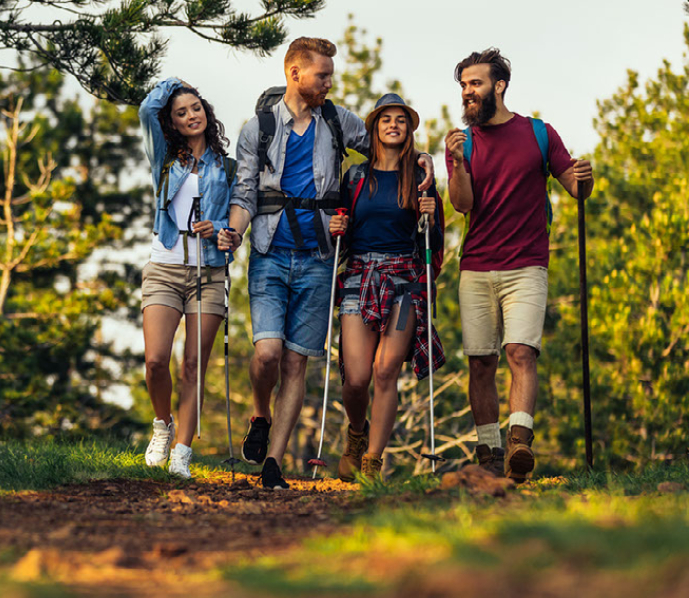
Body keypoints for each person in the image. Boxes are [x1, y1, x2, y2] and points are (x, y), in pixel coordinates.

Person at [218, 37, 433, 490]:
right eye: (323, 75)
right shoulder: (257, 128)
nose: (329, 83)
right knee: (267, 354)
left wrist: (424, 158)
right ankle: (261, 411)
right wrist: (234, 231)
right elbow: (244, 193)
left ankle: (273, 465)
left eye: (331, 75)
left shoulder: (337, 120)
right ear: (294, 73)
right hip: (269, 251)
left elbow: (387, 147)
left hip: (319, 256)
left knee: (297, 363)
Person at [444, 48, 593, 482]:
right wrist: (455, 164)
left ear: (499, 85)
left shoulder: (539, 134)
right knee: (480, 362)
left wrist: (583, 178)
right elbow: (461, 204)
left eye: (475, 84)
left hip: (527, 264)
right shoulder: (464, 142)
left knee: (521, 352)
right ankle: (488, 449)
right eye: (464, 86)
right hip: (476, 266)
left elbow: (574, 187)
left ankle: (519, 443)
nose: (468, 93)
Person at [333, 93, 445, 482]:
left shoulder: (421, 180)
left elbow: (434, 242)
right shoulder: (356, 177)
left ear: (409, 129)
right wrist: (336, 228)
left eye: (401, 119)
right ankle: (356, 434)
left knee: (385, 371)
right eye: (386, 119)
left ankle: (373, 462)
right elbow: (341, 229)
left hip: (403, 283)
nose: (394, 125)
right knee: (357, 377)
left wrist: (428, 217)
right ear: (375, 127)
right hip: (359, 278)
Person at [138, 77, 237, 479]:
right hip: (164, 266)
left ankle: (182, 452)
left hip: (208, 272)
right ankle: (163, 425)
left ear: (206, 113)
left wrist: (225, 232)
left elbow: (234, 225)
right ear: (173, 123)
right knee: (156, 360)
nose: (190, 115)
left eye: (195, 108)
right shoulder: (163, 156)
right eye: (181, 113)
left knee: (194, 365)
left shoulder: (226, 166)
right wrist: (176, 84)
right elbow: (147, 109)